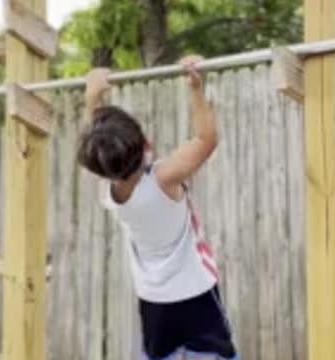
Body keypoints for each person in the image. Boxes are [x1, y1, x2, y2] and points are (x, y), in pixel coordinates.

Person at [77, 56, 237, 360]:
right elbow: (207, 139)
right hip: (196, 293)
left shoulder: (110, 191)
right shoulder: (165, 179)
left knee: (158, 355)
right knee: (217, 354)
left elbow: (96, 149)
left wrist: (91, 99)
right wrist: (195, 87)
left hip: (153, 301)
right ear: (147, 143)